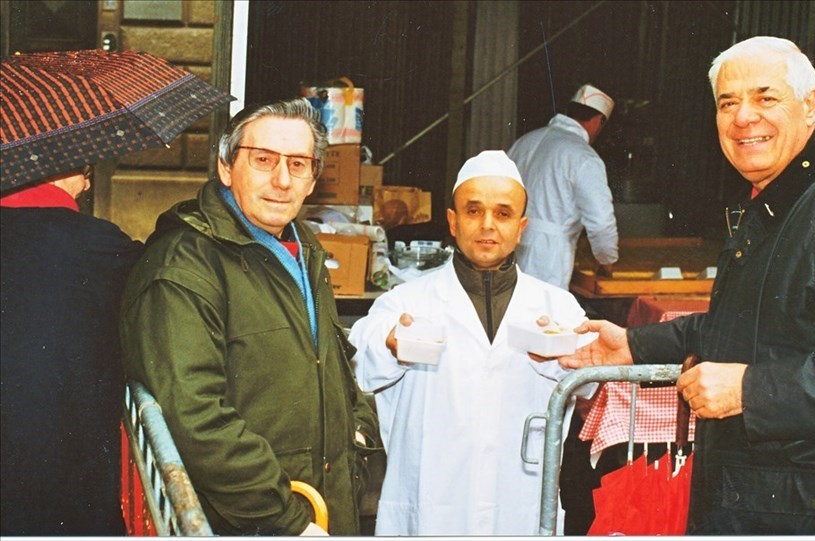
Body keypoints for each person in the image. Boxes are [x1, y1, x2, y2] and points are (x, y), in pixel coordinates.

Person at [558, 36, 815, 535]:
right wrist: (631, 343)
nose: (743, 118)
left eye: (765, 97)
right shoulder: (775, 200)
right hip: (755, 497)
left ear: (811, 105)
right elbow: (744, 327)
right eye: (727, 103)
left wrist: (750, 390)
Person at [119, 99, 380, 536]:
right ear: (226, 167)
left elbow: (330, 362)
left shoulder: (304, 245)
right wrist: (288, 521)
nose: (282, 180)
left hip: (323, 507)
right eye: (263, 160)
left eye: (298, 164)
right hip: (257, 522)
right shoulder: (184, 266)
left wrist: (358, 434)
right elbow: (196, 416)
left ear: (314, 178)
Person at [348, 150, 596, 535]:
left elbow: (593, 381)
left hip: (519, 497)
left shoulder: (557, 306)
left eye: (503, 213)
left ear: (521, 226)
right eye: (473, 210)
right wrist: (390, 341)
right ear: (452, 220)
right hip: (430, 503)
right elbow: (360, 356)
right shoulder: (407, 302)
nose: (487, 225)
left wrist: (574, 354)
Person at [1, 166, 143, 534]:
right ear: (72, 176)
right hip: (66, 473)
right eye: (86, 172)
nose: (89, 184)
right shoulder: (100, 243)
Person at [507, 83, 619, 287]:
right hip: (548, 257)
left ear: (568, 112)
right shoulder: (583, 157)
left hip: (510, 247)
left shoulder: (525, 142)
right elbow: (601, 222)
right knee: (544, 316)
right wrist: (606, 260)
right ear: (598, 121)